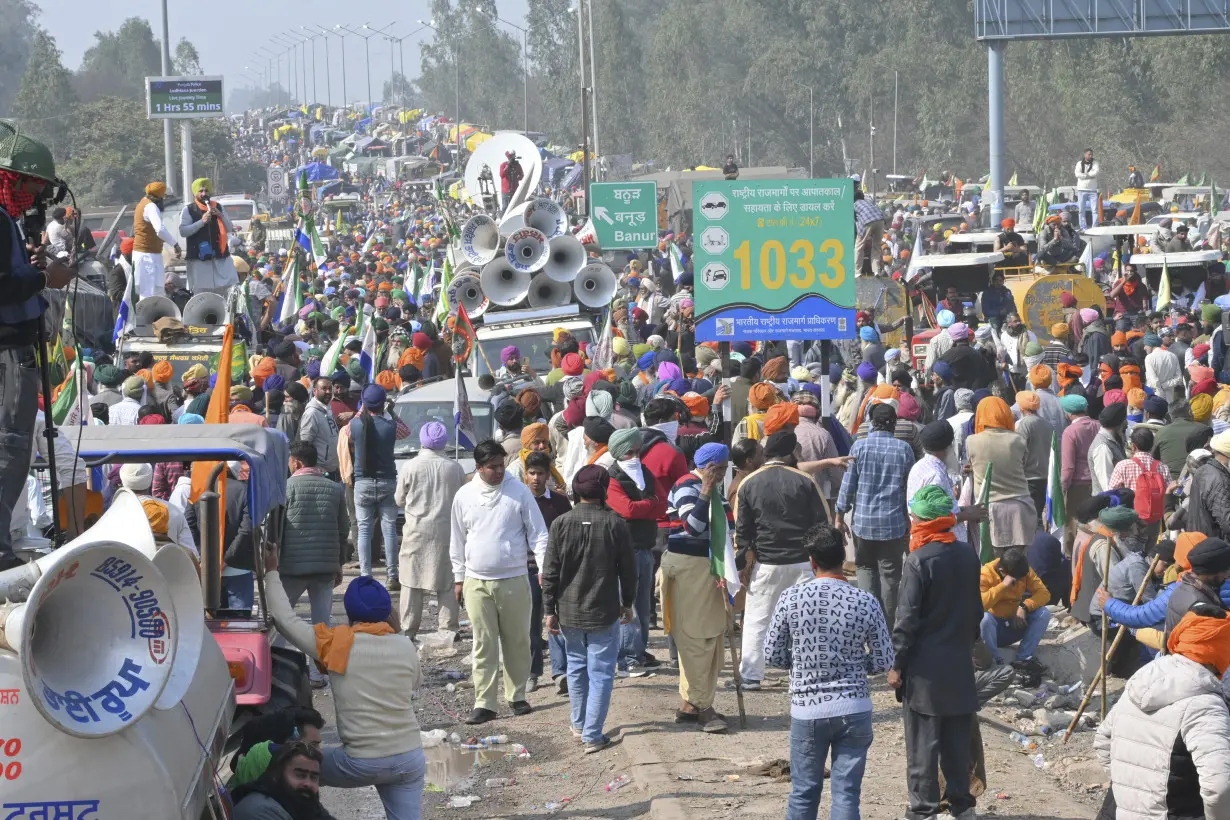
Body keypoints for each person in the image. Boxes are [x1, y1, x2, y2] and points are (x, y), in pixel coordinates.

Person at [264, 561, 425, 820]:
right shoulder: (405, 646)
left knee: (291, 764)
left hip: (359, 763)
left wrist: (271, 571)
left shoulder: (336, 644)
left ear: (350, 613)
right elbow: (414, 685)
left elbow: (285, 619)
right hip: (409, 759)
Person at [765, 523, 894, 820]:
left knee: (803, 792)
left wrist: (799, 664)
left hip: (807, 710)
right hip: (854, 706)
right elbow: (883, 659)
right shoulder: (865, 601)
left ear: (812, 561)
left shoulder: (790, 599)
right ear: (841, 558)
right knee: (847, 794)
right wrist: (855, 666)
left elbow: (772, 654)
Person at [890, 485, 983, 820]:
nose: (912, 519)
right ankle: (963, 807)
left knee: (922, 747)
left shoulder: (918, 561)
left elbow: (907, 619)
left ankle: (923, 810)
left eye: (915, 515)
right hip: (958, 665)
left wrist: (897, 664)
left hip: (924, 671)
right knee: (958, 745)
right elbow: (976, 611)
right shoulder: (967, 556)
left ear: (924, 520)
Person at [1095, 607, 1230, 820]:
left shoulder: (1142, 678)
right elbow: (1219, 787)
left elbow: (1102, 739)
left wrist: (1129, 788)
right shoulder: (1205, 706)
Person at [449, 439, 547, 724]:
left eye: (502, 465)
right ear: (478, 468)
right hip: (476, 581)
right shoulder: (464, 496)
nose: (499, 471)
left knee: (517, 640)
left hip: (515, 579)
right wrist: (458, 578)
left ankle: (517, 697)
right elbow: (456, 540)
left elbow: (539, 534)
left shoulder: (519, 493)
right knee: (483, 643)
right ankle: (485, 703)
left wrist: (543, 570)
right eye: (492, 467)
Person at [541, 464, 637, 753]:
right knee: (601, 672)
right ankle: (593, 735)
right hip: (603, 609)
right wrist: (628, 603)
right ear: (603, 489)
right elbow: (628, 571)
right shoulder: (615, 523)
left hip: (568, 611)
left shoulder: (561, 523)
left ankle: (579, 724)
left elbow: (550, 571)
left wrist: (549, 610)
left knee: (577, 666)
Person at [735, 430, 827, 690]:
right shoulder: (805, 480)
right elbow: (822, 524)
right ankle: (806, 674)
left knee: (757, 619)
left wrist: (744, 564)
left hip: (766, 563)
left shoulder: (749, 482)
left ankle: (751, 676)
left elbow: (743, 532)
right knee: (807, 620)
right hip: (803, 563)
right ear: (790, 452)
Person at [662, 442, 733, 734]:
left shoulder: (713, 489)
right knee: (696, 638)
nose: (722, 476)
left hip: (709, 569)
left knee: (712, 637)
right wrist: (705, 489)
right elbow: (692, 526)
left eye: (725, 471)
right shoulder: (687, 486)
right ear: (705, 468)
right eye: (718, 471)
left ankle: (690, 704)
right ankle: (703, 708)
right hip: (689, 569)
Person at [837, 403, 920, 622]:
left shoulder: (859, 447)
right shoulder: (904, 449)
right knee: (891, 577)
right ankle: (888, 628)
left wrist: (839, 514)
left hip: (863, 524)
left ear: (872, 423)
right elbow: (910, 488)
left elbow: (848, 485)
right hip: (893, 524)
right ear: (894, 424)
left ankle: (868, 624)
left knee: (864, 568)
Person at [281, 442, 349, 687]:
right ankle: (318, 673)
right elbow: (344, 529)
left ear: (297, 462)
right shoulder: (334, 489)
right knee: (322, 622)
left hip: (291, 567)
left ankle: (277, 669)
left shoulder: (285, 488)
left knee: (281, 618)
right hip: (325, 567)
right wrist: (339, 563)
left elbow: (276, 530)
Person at [395, 421, 466, 639]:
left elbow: (399, 500)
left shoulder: (410, 466)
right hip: (447, 531)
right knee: (446, 579)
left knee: (411, 580)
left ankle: (408, 629)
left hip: (416, 531)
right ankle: (448, 628)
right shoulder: (455, 468)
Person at [522, 450, 573, 694]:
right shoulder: (519, 501)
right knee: (531, 624)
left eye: (540, 473)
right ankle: (533, 671)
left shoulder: (560, 503)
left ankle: (560, 672)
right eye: (531, 473)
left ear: (547, 475)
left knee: (556, 620)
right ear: (525, 474)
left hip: (556, 570)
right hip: (528, 570)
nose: (535, 478)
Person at [348, 385, 400, 588]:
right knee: (389, 530)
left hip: (363, 482)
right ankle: (392, 576)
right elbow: (406, 430)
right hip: (388, 480)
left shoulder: (355, 424)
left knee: (364, 530)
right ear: (383, 403)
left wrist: (362, 408)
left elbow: (350, 436)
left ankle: (365, 574)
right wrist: (390, 410)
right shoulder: (391, 425)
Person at [978, 548, 1051, 676]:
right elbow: (979, 606)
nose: (1019, 582)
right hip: (993, 631)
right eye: (1016, 580)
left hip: (1015, 623)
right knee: (984, 618)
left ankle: (1023, 658)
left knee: (1043, 613)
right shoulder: (986, 573)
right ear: (1002, 571)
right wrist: (1002, 586)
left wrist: (1024, 606)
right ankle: (996, 663)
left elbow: (1044, 593)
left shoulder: (1023, 570)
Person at [231, 741, 336, 820]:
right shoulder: (259, 810)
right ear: (275, 776)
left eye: (314, 777)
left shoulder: (302, 798)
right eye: (300, 775)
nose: (307, 783)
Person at [117, 463, 197, 553]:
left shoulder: (115, 513)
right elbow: (192, 555)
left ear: (122, 480)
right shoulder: (173, 511)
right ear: (151, 478)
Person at [180, 178, 239, 296]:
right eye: (200, 191)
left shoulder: (218, 207)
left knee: (228, 289)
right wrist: (201, 222)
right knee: (203, 294)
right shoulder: (189, 210)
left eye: (206, 190)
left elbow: (229, 228)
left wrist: (220, 215)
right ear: (195, 193)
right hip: (200, 261)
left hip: (221, 258)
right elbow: (183, 231)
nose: (204, 194)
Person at [131, 181, 181, 298]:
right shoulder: (151, 206)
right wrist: (175, 244)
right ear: (160, 197)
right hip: (148, 255)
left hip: (144, 254)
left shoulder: (142, 203)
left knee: (149, 292)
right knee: (150, 294)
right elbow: (160, 230)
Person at [300, 378, 340, 478]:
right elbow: (305, 443)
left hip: (332, 470)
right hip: (320, 472)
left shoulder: (327, 409)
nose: (328, 392)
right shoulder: (311, 413)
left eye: (330, 388)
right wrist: (314, 467)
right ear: (315, 391)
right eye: (324, 388)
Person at [1089, 401, 1127, 495]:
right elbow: (1107, 485)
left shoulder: (1114, 440)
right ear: (1120, 423)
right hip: (1108, 504)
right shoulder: (1102, 447)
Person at [853, 189, 886, 276]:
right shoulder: (869, 202)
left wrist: (860, 235)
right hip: (880, 220)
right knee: (876, 247)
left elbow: (856, 221)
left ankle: (857, 272)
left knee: (858, 247)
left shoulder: (854, 205)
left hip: (868, 221)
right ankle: (876, 271)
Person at [1074, 148, 1100, 230]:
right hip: (1081, 189)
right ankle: (1083, 226)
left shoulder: (1095, 163)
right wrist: (1089, 175)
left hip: (1092, 190)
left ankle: (1095, 226)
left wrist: (1084, 175)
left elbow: (1096, 172)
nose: (1090, 156)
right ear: (1085, 154)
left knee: (1095, 209)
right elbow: (1077, 174)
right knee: (1081, 210)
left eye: (1091, 154)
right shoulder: (1079, 164)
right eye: (1089, 154)